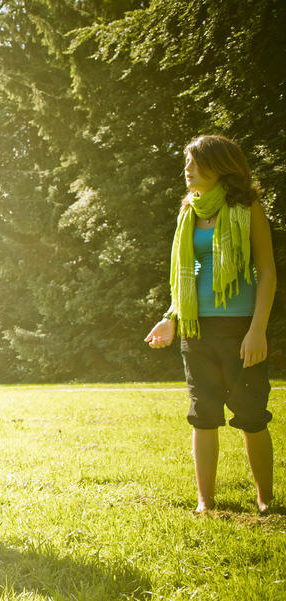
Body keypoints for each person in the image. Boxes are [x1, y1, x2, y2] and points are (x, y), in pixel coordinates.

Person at [145, 135, 276, 514]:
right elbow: (185, 277)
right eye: (187, 162)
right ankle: (205, 502)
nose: (188, 169)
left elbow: (266, 272)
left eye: (196, 162)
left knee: (252, 415)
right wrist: (171, 318)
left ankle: (265, 500)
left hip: (239, 329)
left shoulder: (247, 206)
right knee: (203, 416)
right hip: (196, 329)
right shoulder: (189, 211)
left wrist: (257, 329)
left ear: (220, 165)